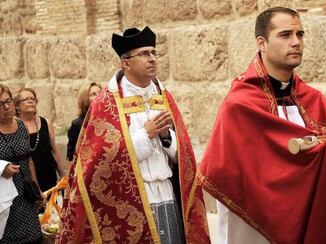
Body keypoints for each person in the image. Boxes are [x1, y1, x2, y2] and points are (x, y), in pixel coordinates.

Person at [198, 7, 326, 244]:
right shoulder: (240, 105)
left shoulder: (313, 99)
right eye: (285, 35)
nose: (296, 42)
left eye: (300, 34)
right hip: (254, 225)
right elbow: (227, 172)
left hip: (308, 216)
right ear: (261, 43)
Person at [57, 26, 211, 243]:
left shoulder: (163, 97)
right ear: (126, 63)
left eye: (154, 53)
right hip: (134, 198)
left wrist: (166, 138)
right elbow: (100, 164)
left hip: (167, 193)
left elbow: (183, 158)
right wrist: (146, 134)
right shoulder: (106, 103)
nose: (152, 59)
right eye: (144, 54)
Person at [0, 84, 43, 243]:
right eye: (0, 104)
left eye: (8, 101)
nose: (6, 106)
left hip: (26, 193)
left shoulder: (21, 126)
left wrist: (36, 187)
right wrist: (2, 168)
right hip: (5, 197)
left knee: (34, 237)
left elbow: (28, 159)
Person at [15, 88, 66, 193]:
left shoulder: (46, 122)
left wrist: (63, 175)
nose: (30, 101)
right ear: (17, 105)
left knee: (51, 207)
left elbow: (54, 150)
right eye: (26, 99)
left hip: (48, 174)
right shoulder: (14, 126)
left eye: (33, 98)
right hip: (26, 179)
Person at [66, 82, 102, 163]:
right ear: (85, 99)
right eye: (93, 94)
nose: (98, 96)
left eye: (100, 93)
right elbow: (71, 155)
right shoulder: (77, 123)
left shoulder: (109, 118)